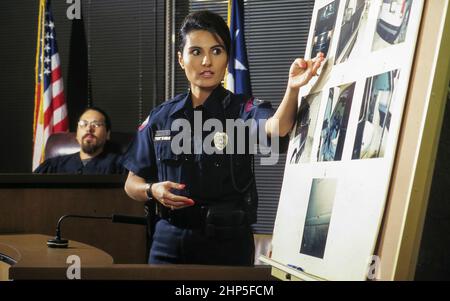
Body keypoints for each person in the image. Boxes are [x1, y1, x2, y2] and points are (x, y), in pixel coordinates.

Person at [123, 10, 324, 265]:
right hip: (168, 243)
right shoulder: (161, 117)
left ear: (227, 58)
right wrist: (152, 190)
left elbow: (278, 127)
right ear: (181, 59)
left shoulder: (243, 110)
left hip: (227, 244)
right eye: (196, 52)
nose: (207, 61)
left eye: (216, 51)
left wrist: (293, 88)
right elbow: (132, 183)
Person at [34, 107, 126, 174]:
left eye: (96, 124)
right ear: (77, 134)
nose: (89, 129)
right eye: (83, 124)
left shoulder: (121, 166)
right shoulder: (53, 166)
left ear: (108, 134)